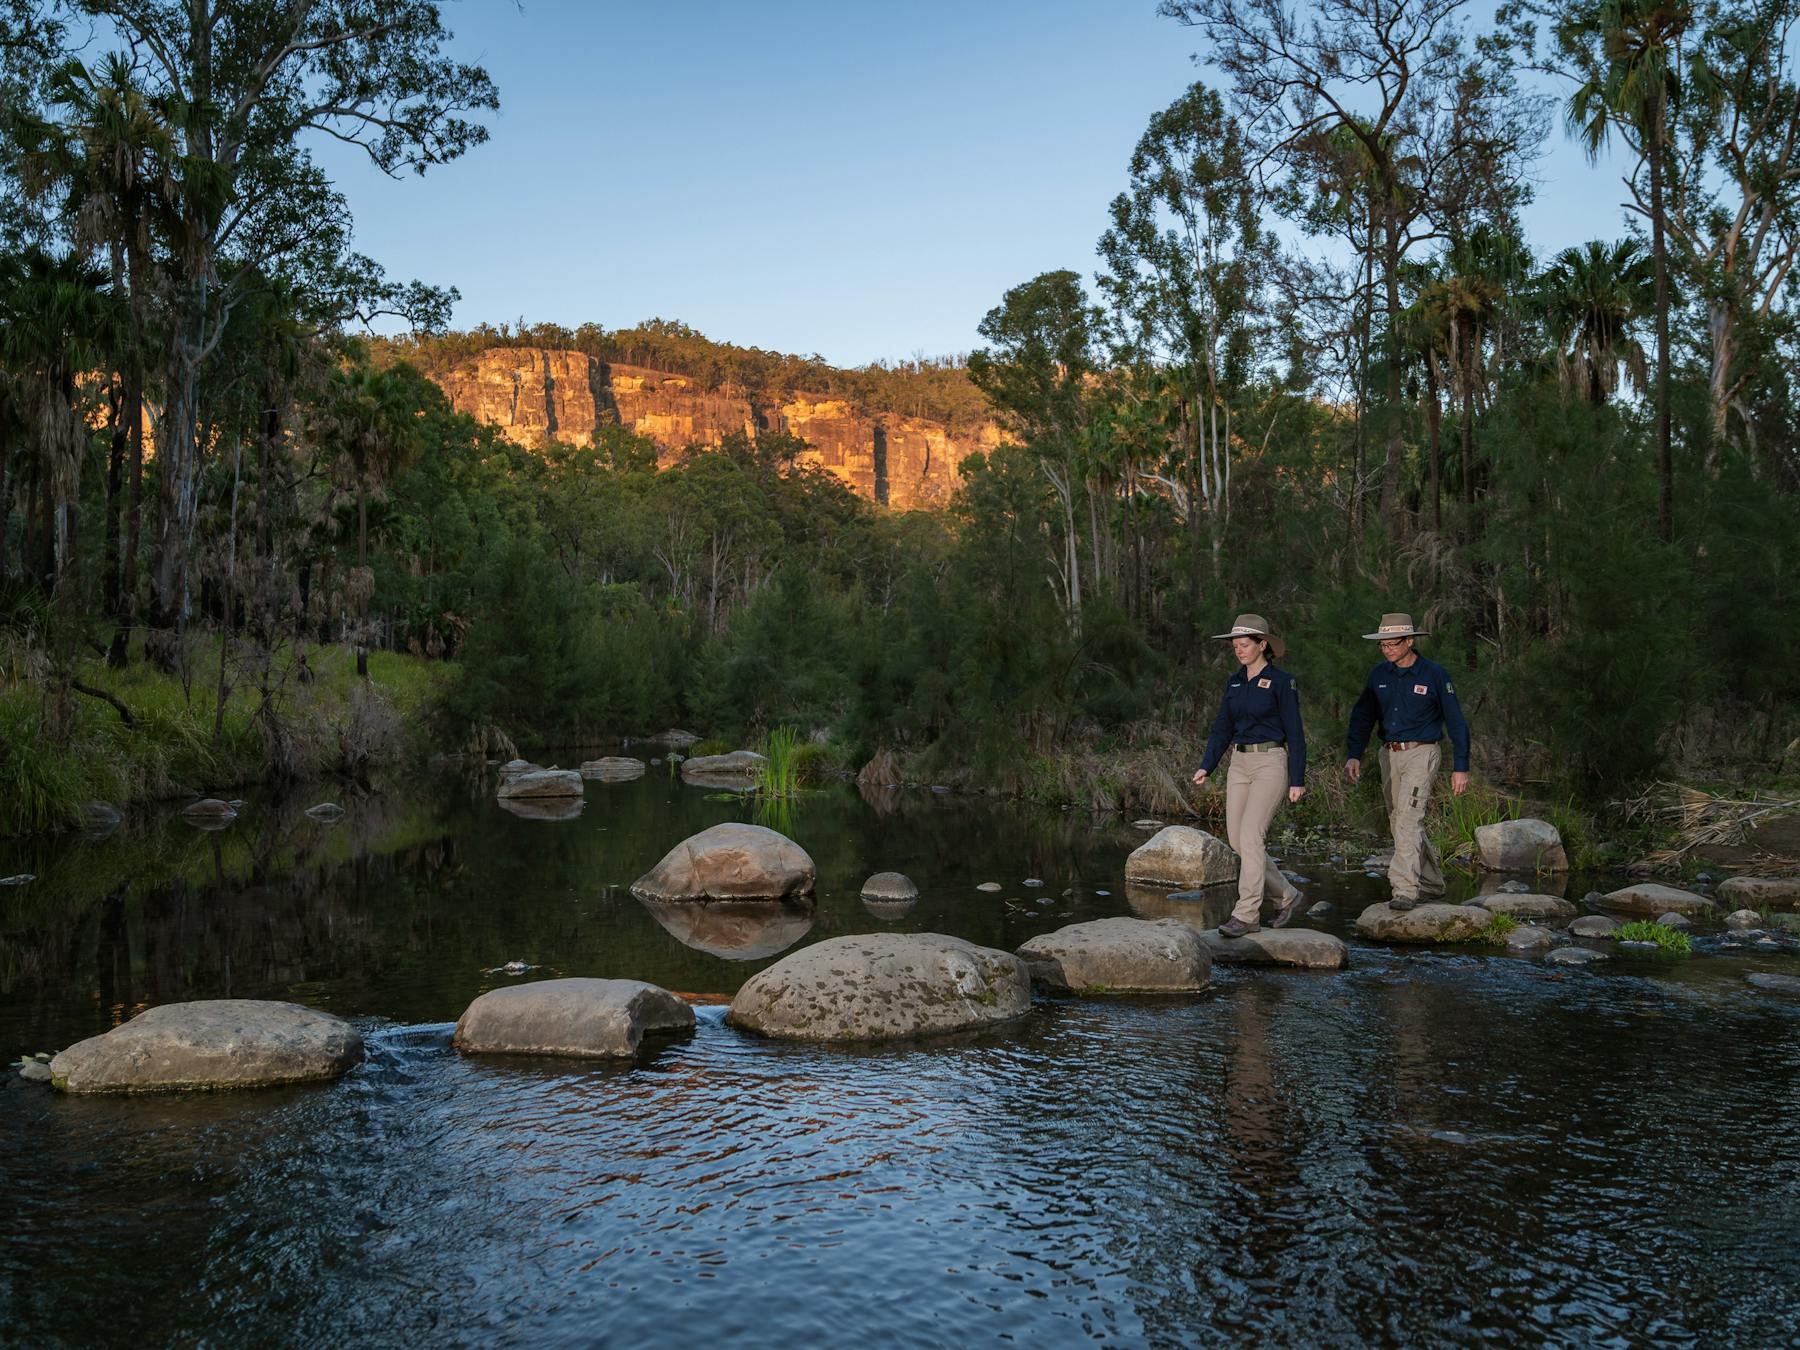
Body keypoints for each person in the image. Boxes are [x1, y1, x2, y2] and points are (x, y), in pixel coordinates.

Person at [1343, 612, 1471, 911]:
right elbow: (1362, 717)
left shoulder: (1434, 675)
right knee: (1399, 820)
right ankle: (1432, 882)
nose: (1387, 649)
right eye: (1382, 645)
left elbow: (1456, 721)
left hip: (1422, 752)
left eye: (1393, 644)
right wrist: (1354, 754)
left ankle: (1405, 890)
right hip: (1389, 753)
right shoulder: (1379, 675)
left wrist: (1461, 766)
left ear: (1410, 641)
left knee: (1408, 820)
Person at [1190, 613, 1307, 938]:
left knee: (1253, 836)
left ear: (1262, 645)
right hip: (1239, 764)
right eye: (1235, 646)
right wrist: (1206, 765)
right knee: (1238, 842)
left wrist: (1297, 778)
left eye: (1244, 644)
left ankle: (1247, 914)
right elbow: (1222, 728)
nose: (1239, 650)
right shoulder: (1235, 682)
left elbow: (1296, 733)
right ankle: (1287, 894)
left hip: (1270, 761)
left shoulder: (1283, 682)